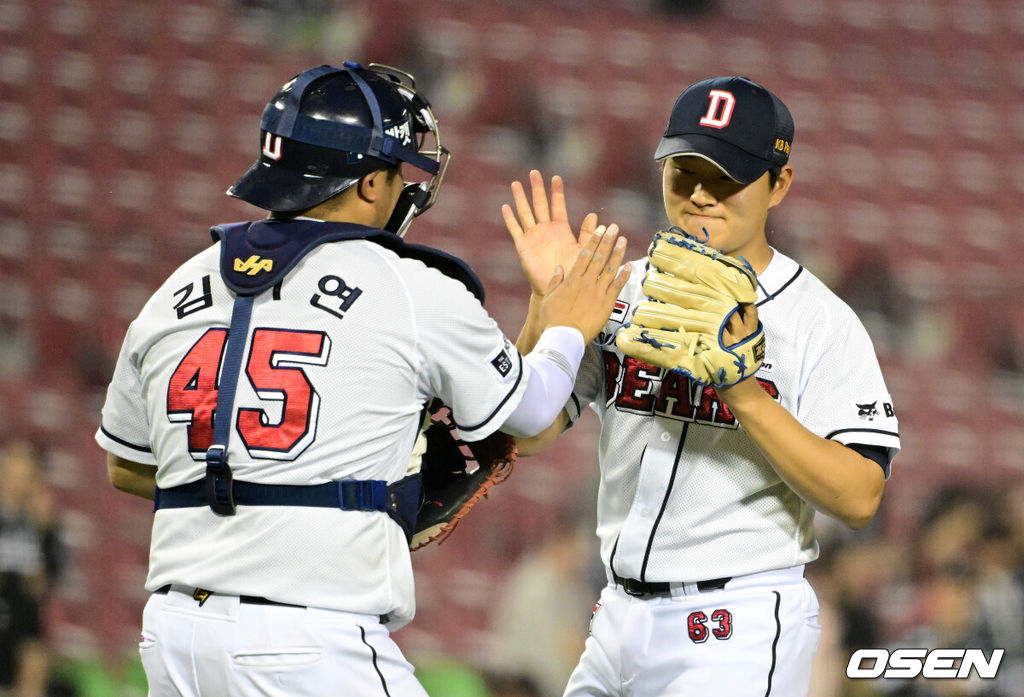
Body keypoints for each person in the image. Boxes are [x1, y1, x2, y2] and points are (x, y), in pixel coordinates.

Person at [94, 61, 629, 697]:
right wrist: (567, 321)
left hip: (173, 635)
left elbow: (127, 467)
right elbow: (533, 412)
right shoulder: (407, 286)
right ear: (371, 181)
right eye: (399, 171)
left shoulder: (178, 285)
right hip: (309, 640)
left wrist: (263, 489)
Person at [502, 76, 900, 696]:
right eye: (685, 172)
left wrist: (745, 395)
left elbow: (859, 496)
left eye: (727, 176)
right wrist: (545, 309)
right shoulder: (619, 286)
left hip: (731, 627)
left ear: (780, 184)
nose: (700, 195)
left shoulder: (819, 321)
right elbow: (524, 434)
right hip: (614, 618)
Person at [0, 440, 65, 697]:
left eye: (28, 474)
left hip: (24, 619)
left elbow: (45, 581)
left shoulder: (42, 521)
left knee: (34, 662)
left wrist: (42, 530)